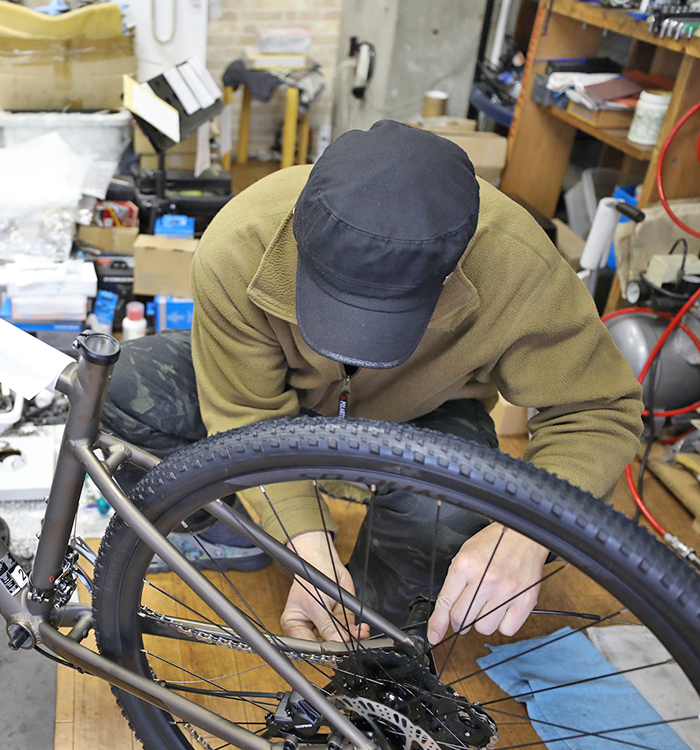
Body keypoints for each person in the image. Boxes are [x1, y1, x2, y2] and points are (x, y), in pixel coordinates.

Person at [103, 119, 643, 646]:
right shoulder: (240, 244)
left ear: (453, 268)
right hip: (285, 399)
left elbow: (597, 412)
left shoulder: (518, 265)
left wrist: (526, 530)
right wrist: (306, 549)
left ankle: (384, 622)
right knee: (122, 388)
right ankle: (235, 532)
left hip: (425, 414)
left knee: (439, 537)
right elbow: (247, 415)